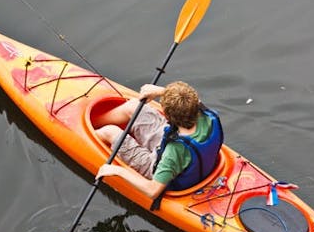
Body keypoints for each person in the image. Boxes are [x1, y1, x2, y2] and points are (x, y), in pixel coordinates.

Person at [94, 81, 223, 205]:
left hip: (157, 168)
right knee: (133, 106)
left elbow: (153, 191)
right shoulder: (207, 114)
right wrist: (159, 91)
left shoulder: (174, 151)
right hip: (189, 157)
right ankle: (94, 121)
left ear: (167, 117)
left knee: (110, 132)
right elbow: (188, 97)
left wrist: (117, 171)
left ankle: (85, 133)